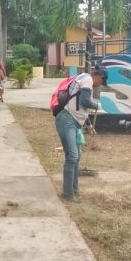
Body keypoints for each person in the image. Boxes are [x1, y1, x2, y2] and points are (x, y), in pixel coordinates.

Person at [54, 66, 107, 202]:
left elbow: (81, 108)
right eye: (101, 82)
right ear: (98, 77)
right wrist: (97, 105)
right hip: (67, 120)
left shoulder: (83, 78)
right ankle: (68, 194)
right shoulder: (88, 80)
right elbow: (84, 102)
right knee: (72, 156)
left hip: (72, 121)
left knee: (76, 157)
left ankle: (74, 191)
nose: (99, 85)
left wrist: (89, 125)